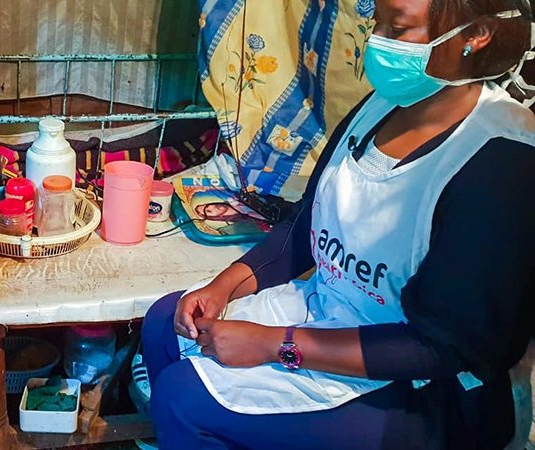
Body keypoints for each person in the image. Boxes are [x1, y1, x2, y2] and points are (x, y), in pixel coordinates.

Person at [142, 0, 535, 448]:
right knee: (163, 326)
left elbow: (445, 347)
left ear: (475, 35)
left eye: (400, 30)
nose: (378, 44)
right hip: (331, 312)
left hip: (429, 386)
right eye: (378, 24)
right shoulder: (381, 106)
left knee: (182, 400)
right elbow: (306, 226)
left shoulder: (503, 159)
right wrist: (223, 286)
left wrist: (276, 345)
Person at [194, 201, 269, 235]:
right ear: (215, 217)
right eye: (209, 211)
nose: (212, 207)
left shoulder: (235, 198)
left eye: (206, 205)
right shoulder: (244, 224)